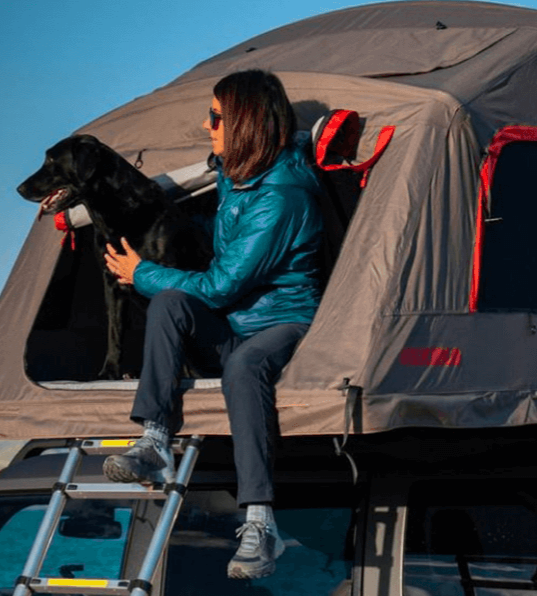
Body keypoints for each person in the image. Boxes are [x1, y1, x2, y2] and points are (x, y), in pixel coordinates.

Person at [99, 69, 325, 580]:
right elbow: (217, 252)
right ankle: (155, 439)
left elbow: (223, 284)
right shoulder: (236, 176)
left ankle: (261, 525)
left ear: (245, 122)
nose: (207, 126)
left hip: (283, 321)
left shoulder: (281, 197)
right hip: (236, 319)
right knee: (170, 303)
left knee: (244, 364)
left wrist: (143, 272)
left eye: (217, 116)